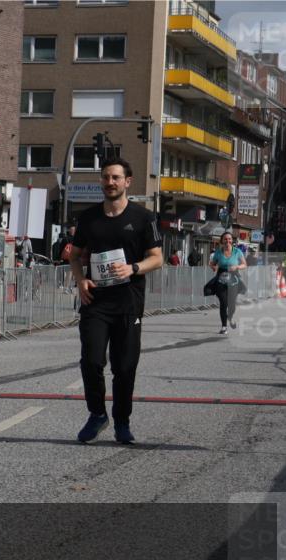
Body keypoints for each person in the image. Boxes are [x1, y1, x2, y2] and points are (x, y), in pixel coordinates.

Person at [69, 157, 163, 445]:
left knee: (124, 367)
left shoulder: (143, 218)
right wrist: (80, 279)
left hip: (128, 303)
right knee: (92, 360)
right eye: (106, 177)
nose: (110, 182)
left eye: (115, 178)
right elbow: (75, 254)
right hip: (96, 301)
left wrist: (133, 268)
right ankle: (97, 414)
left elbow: (157, 259)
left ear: (127, 182)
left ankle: (122, 420)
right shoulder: (88, 218)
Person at [208, 231, 247, 334]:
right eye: (225, 239)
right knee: (223, 303)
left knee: (232, 305)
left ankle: (230, 317)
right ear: (222, 241)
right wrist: (213, 267)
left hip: (233, 278)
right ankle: (224, 326)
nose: (228, 241)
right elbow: (212, 263)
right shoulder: (218, 252)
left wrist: (237, 266)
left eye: (229, 239)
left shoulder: (237, 251)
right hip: (221, 278)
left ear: (232, 240)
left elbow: (244, 264)